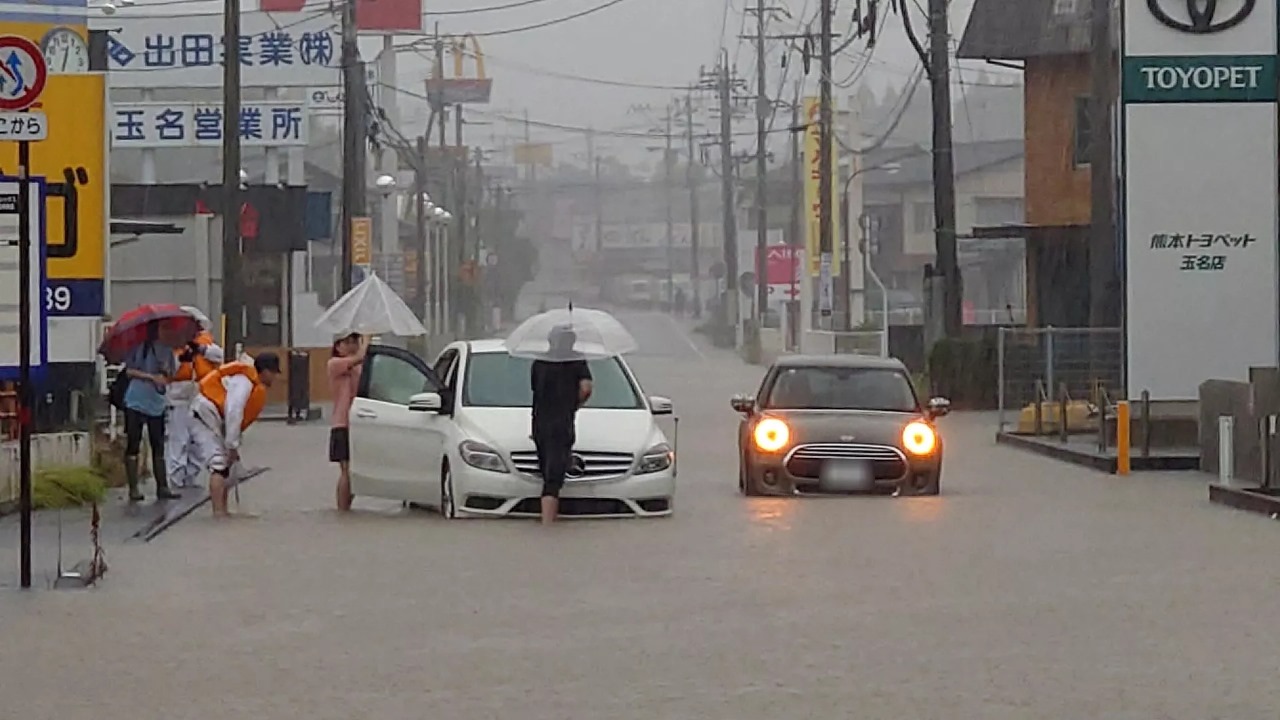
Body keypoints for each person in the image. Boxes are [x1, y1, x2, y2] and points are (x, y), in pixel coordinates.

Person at [188, 353, 282, 518]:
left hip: (216, 420)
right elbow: (233, 411)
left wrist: (233, 445)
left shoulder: (251, 382)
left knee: (228, 466)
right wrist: (231, 445)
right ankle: (218, 514)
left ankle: (223, 511)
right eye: (274, 373)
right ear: (265, 371)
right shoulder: (243, 381)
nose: (274, 377)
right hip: (203, 418)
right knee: (219, 463)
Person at [529, 325, 593, 525]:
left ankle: (547, 521)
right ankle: (548, 525)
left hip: (539, 423)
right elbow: (586, 388)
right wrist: (575, 404)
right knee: (553, 479)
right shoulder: (576, 361)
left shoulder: (539, 362)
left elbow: (536, 391)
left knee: (546, 470)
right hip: (562, 423)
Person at [121, 321, 181, 502]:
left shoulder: (164, 350)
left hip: (152, 401)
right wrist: (151, 376)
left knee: (154, 443)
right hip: (139, 400)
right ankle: (138, 488)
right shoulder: (138, 348)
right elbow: (130, 371)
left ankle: (160, 486)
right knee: (138, 443)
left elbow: (170, 373)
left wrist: (163, 373)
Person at [165, 309, 224, 489]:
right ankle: (176, 479)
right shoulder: (172, 345)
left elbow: (219, 355)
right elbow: (168, 368)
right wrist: (182, 358)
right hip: (178, 395)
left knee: (198, 440)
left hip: (200, 394)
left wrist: (200, 350)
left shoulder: (205, 343)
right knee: (179, 438)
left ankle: (190, 477)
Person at [328, 332, 368, 511]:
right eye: (348, 342)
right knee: (346, 470)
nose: (352, 345)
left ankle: (347, 510)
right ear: (338, 346)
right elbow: (360, 357)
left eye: (355, 341)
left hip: (359, 422)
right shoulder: (335, 364)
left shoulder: (358, 367)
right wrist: (367, 340)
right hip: (342, 424)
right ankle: (343, 510)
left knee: (355, 470)